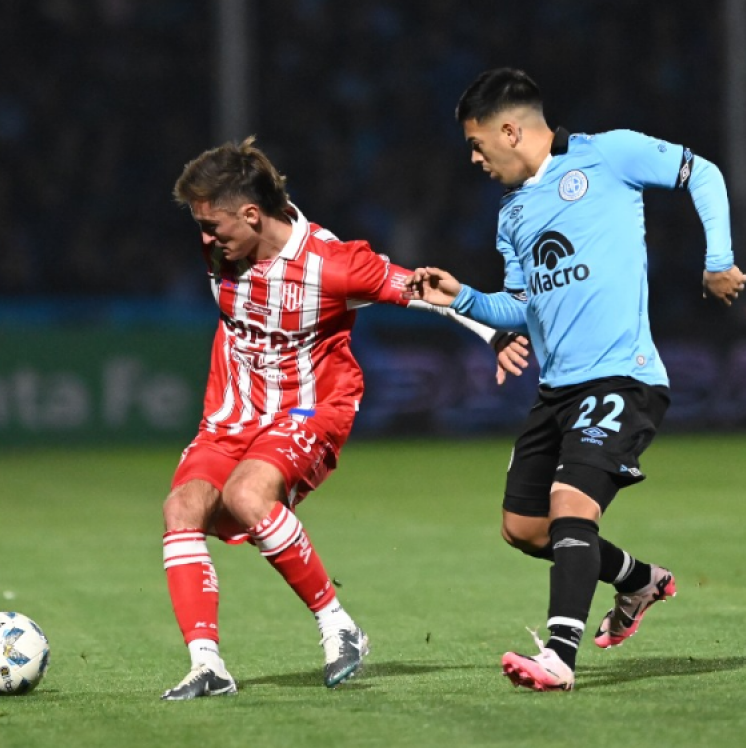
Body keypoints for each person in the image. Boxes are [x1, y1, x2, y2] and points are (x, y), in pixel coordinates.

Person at [405, 68, 746, 691]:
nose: (476, 160)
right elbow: (519, 305)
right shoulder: (512, 214)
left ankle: (558, 657)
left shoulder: (608, 153)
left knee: (571, 507)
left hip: (623, 378)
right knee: (525, 528)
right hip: (557, 391)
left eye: (477, 145)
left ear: (510, 129)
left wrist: (717, 260)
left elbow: (704, 172)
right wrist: (461, 297)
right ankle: (639, 580)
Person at [160, 136, 523, 700]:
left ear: (252, 214)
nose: (205, 238)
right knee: (181, 507)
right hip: (232, 415)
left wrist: (493, 332)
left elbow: (425, 292)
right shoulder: (222, 250)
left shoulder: (332, 265)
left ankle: (338, 624)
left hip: (311, 407)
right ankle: (207, 665)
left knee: (248, 497)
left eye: (213, 224)